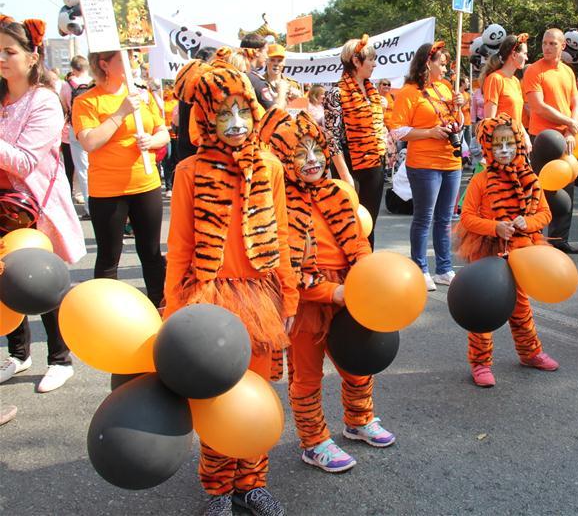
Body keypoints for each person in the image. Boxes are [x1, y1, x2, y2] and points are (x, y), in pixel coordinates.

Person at [167, 58, 298, 516]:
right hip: (210, 301)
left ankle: (252, 481)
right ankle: (218, 487)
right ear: (205, 118)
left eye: (243, 110)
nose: (237, 124)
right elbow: (180, 246)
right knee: (216, 395)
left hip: (261, 294)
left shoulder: (271, 167)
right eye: (224, 114)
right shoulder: (189, 172)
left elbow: (282, 234)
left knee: (257, 392)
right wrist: (173, 309)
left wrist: (290, 293)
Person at [262, 109, 395, 474]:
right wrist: (329, 293)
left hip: (350, 292)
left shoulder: (340, 191)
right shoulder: (278, 203)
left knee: (358, 364)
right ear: (284, 159)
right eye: (300, 153)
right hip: (308, 300)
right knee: (306, 375)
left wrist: (367, 282)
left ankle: (359, 419)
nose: (312, 160)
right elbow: (285, 269)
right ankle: (314, 440)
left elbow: (359, 243)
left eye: (316, 151)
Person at [0, 17, 86, 392]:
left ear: (32, 57)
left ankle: (60, 358)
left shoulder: (45, 101)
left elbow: (23, 161)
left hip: (35, 209)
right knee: (5, 280)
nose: (1, 58)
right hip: (2, 211)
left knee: (42, 282)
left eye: (9, 51)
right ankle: (18, 354)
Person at [455, 114, 559, 386]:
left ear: (518, 143)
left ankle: (530, 352)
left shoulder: (531, 178)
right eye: (498, 144)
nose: (504, 150)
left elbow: (545, 214)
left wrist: (529, 222)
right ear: (488, 147)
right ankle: (480, 362)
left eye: (509, 143)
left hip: (522, 251)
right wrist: (495, 227)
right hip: (488, 253)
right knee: (484, 308)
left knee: (520, 306)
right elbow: (466, 217)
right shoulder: (480, 180)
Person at [72, 50, 169, 307]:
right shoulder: (87, 100)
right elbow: (90, 142)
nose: (133, 62)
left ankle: (161, 307)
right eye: (125, 59)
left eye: (134, 58)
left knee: (151, 252)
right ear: (104, 64)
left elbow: (163, 132)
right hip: (107, 190)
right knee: (108, 256)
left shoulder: (142, 94)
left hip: (145, 183)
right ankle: (108, 314)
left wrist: (152, 141)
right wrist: (121, 112)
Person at [392, 41, 464, 290]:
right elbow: (398, 131)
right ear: (427, 63)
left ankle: (444, 268)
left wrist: (460, 108)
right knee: (424, 217)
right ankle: (420, 268)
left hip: (451, 162)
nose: (445, 69)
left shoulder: (445, 89)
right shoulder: (408, 92)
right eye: (441, 64)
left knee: (445, 218)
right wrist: (430, 132)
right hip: (423, 164)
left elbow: (457, 124)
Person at [323, 35, 388, 247]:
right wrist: (345, 176)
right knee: (350, 224)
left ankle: (366, 270)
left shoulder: (372, 92)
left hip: (375, 164)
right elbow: (332, 138)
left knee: (369, 223)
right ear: (356, 61)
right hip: (350, 166)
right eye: (371, 59)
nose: (375, 64)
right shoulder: (336, 92)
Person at [521, 28, 578, 254]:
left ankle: (559, 239)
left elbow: (576, 101)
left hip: (566, 137)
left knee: (567, 188)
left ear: (563, 46)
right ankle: (532, 237)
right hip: (543, 137)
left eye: (552, 44)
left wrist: (571, 129)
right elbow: (538, 106)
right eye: (544, 43)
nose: (547, 47)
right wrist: (569, 121)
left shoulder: (567, 72)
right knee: (539, 189)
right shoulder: (534, 70)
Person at [480, 34, 531, 152]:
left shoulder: (516, 81)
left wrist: (525, 136)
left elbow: (516, 118)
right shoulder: (495, 79)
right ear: (514, 54)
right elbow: (489, 120)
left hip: (516, 142)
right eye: (524, 53)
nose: (527, 58)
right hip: (502, 146)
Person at [59, 55, 92, 210]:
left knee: (83, 169)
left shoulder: (67, 85)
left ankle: (89, 207)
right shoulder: (94, 82)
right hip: (95, 127)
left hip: (76, 129)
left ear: (73, 68)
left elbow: (65, 107)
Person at [262, 44, 302, 110]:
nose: (276, 64)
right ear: (266, 61)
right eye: (272, 60)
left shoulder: (293, 84)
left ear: (284, 63)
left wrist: (298, 100)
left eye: (280, 60)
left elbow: (301, 111)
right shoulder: (259, 83)